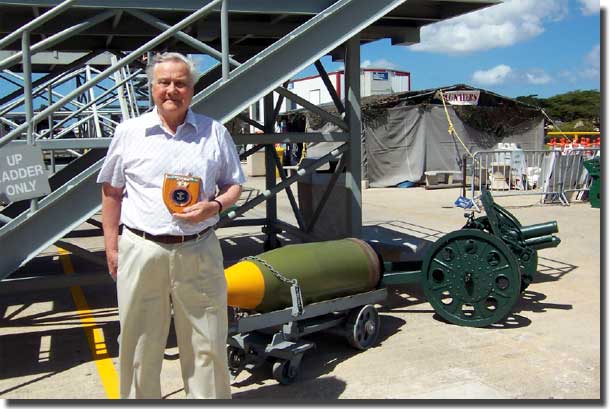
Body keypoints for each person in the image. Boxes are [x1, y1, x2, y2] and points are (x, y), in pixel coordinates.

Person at [97, 52, 245, 399]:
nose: (172, 90)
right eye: (164, 82)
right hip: (142, 248)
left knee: (207, 341)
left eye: (181, 83)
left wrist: (215, 205)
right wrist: (111, 246)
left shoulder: (214, 132)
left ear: (192, 90)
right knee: (138, 343)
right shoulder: (129, 132)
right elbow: (111, 192)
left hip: (199, 248)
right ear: (152, 87)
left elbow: (234, 184)